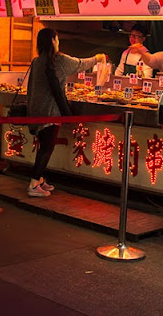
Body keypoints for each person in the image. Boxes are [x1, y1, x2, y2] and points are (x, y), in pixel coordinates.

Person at [26, 28, 105, 197]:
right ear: (54, 41)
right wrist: (97, 58)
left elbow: (30, 86)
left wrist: (30, 108)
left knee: (43, 145)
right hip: (50, 111)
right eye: (57, 38)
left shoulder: (37, 61)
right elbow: (80, 64)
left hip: (37, 109)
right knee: (46, 148)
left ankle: (39, 179)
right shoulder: (58, 60)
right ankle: (33, 184)